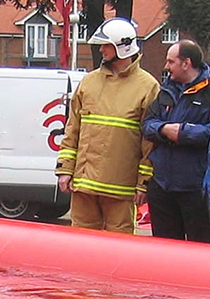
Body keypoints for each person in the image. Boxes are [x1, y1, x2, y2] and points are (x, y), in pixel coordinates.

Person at [55, 17, 159, 234]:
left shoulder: (148, 87)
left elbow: (149, 142)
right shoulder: (89, 82)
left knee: (118, 249)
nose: (101, 49)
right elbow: (72, 129)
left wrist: (143, 183)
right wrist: (65, 169)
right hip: (83, 185)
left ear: (122, 47)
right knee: (80, 245)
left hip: (120, 188)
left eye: (106, 45)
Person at [142, 39, 210, 241]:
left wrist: (183, 133)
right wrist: (163, 129)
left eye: (171, 62)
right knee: (164, 252)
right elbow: (147, 125)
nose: (166, 67)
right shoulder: (166, 91)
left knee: (200, 251)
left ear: (186, 63)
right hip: (162, 187)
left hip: (195, 189)